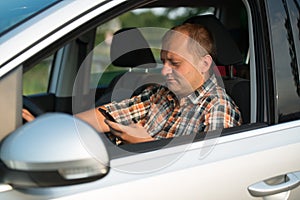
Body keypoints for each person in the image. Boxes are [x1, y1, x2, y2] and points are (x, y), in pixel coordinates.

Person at [23, 23, 242, 144]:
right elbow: (106, 115)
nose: (165, 71)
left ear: (204, 63)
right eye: (163, 61)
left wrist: (146, 144)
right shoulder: (159, 94)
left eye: (175, 63)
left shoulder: (218, 109)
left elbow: (206, 177)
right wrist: (50, 128)